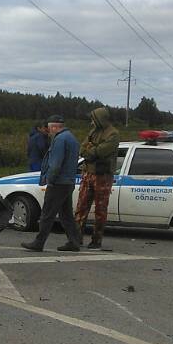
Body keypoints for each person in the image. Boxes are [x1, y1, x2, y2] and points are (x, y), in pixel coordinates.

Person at [21, 115, 81, 252]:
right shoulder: (72, 138)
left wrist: (50, 179)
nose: (49, 131)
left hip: (58, 182)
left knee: (47, 213)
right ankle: (74, 241)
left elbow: (55, 163)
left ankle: (39, 242)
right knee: (66, 214)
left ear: (54, 127)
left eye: (49, 128)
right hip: (68, 181)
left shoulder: (60, 139)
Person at [76, 107, 120, 249]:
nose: (91, 121)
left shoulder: (113, 134)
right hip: (88, 173)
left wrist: (91, 149)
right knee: (81, 207)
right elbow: (82, 149)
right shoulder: (93, 132)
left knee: (100, 210)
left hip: (103, 176)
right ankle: (76, 237)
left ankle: (96, 239)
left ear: (99, 118)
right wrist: (91, 149)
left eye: (93, 118)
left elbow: (101, 152)